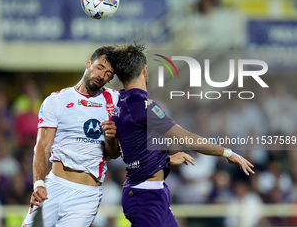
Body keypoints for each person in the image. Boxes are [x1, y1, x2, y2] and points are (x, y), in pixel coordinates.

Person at [110, 44, 255, 226]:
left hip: (147, 192)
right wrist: (228, 153)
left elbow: (133, 147)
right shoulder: (145, 107)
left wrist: (166, 160)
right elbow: (187, 139)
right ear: (144, 70)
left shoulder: (120, 103)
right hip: (145, 196)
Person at [22, 46, 121, 227]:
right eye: (99, 67)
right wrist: (38, 184)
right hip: (53, 186)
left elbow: (114, 154)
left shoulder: (114, 101)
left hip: (87, 195)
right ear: (88, 63)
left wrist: (111, 137)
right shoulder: (57, 100)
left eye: (108, 74)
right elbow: (42, 147)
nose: (102, 76)